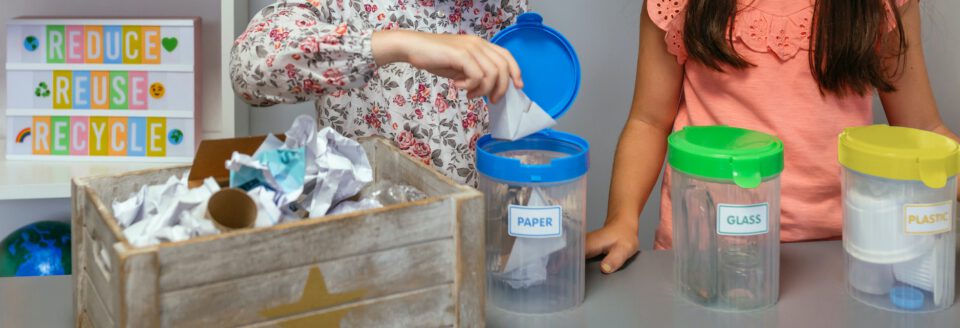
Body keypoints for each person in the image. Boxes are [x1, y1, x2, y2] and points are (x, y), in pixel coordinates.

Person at [587, 0, 960, 274]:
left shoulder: (884, 4)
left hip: (844, 257)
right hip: (706, 253)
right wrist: (622, 219)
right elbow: (649, 122)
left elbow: (924, 131)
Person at [230, 0, 526, 185]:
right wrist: (401, 44)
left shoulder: (502, 6)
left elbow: (519, 118)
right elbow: (249, 70)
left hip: (475, 232)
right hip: (370, 231)